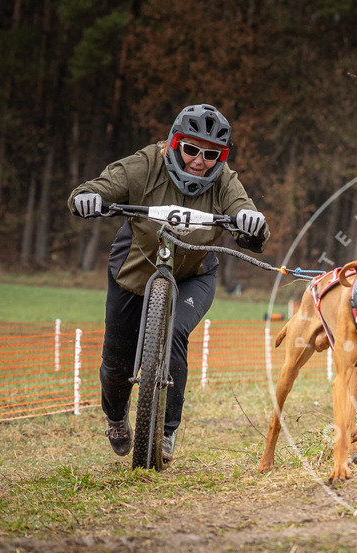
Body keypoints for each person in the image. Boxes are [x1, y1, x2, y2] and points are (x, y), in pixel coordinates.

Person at [68, 104, 268, 464]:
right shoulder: (145, 164)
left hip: (194, 276)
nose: (199, 161)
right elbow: (97, 187)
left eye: (211, 154)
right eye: (191, 149)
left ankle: (167, 431)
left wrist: (250, 222)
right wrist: (89, 198)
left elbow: (243, 210)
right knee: (117, 362)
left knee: (176, 332)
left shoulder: (224, 180)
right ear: (174, 143)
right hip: (133, 274)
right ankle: (116, 419)